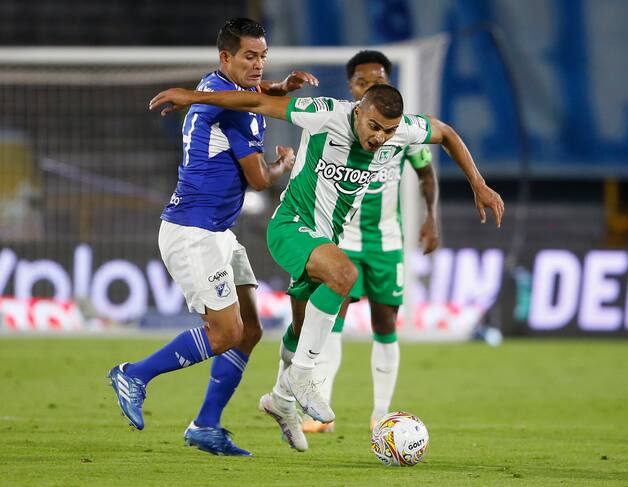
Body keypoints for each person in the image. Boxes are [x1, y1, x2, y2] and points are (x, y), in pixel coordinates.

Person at [149, 82, 505, 453]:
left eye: (388, 130)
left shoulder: (404, 131)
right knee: (345, 276)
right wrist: (194, 98)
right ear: (357, 113)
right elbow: (257, 100)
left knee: (302, 329)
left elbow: (445, 132)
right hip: (290, 226)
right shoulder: (325, 113)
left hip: (324, 240)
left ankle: (281, 400)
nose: (379, 137)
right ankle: (303, 377)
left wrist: (478, 184)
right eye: (373, 126)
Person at [107, 17, 318, 457]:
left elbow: (244, 97)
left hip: (217, 231)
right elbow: (258, 180)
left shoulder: (219, 87)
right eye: (249, 56)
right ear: (226, 58)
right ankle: (135, 374)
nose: (258, 64)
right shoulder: (234, 110)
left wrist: (279, 87)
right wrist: (282, 165)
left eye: (263, 56)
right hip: (194, 232)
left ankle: (205, 425)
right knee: (224, 333)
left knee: (250, 329)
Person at [301, 50, 439, 435]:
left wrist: (430, 217)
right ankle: (318, 409)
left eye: (378, 80)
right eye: (363, 82)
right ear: (352, 87)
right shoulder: (340, 124)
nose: (371, 87)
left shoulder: (401, 130)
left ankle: (381, 414)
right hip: (341, 237)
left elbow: (426, 173)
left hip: (386, 241)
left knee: (385, 323)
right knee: (332, 321)